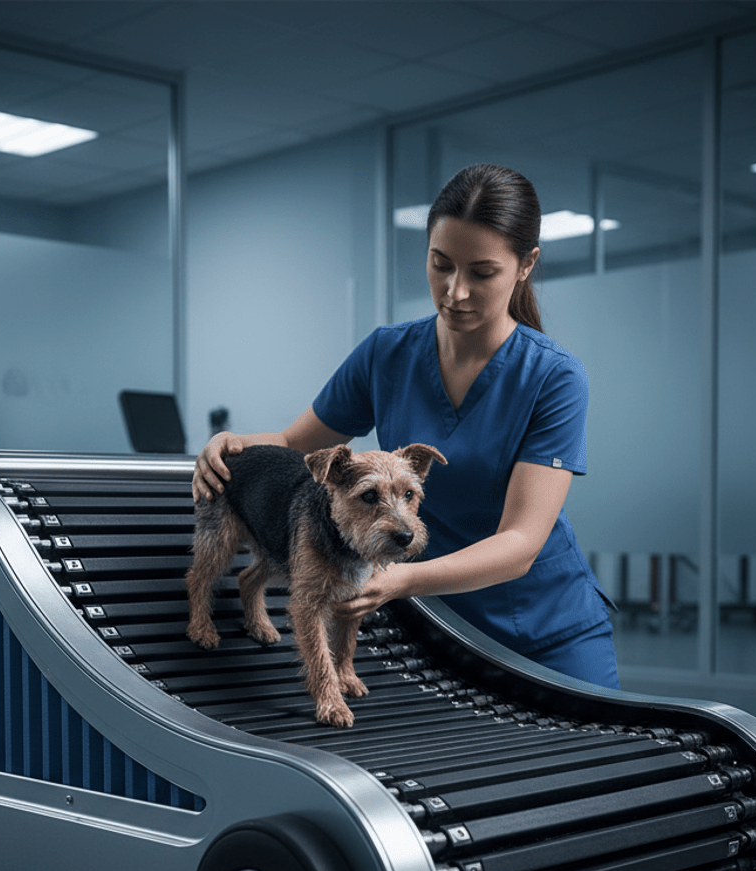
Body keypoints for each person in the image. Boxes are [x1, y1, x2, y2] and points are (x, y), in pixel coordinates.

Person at [191, 163, 619, 689]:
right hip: (432, 627)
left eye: (482, 273)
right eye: (441, 264)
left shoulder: (553, 377)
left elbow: (522, 541)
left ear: (525, 264)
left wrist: (403, 579)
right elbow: (292, 444)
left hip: (544, 629)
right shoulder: (387, 354)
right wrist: (230, 444)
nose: (455, 291)